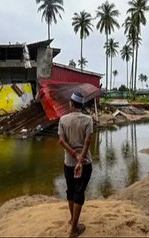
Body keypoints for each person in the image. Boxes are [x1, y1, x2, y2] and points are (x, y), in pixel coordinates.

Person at [58, 91, 93, 237]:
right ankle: (73, 229)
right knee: (79, 193)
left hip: (68, 163)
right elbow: (87, 142)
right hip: (84, 163)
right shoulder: (88, 120)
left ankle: (73, 220)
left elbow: (61, 141)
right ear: (82, 105)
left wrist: (73, 155)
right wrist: (80, 159)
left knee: (71, 191)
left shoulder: (63, 119)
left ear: (71, 104)